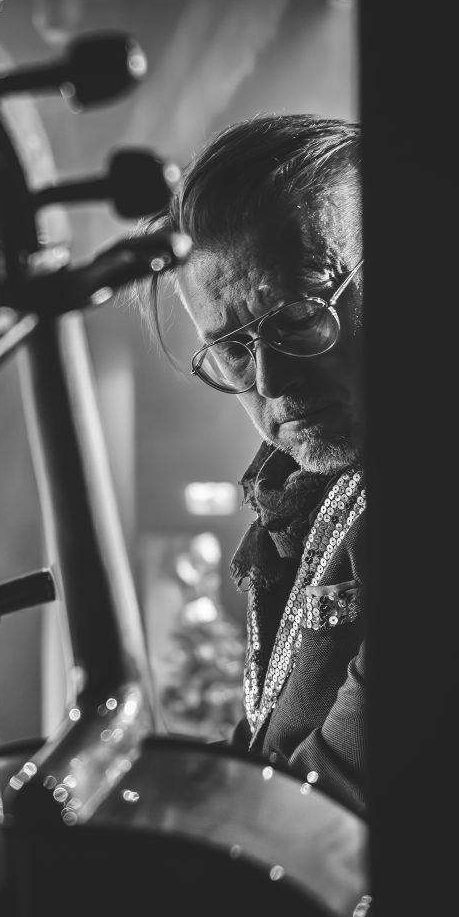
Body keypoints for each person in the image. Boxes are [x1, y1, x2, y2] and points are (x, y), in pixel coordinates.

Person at [141, 113, 368, 814]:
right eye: (234, 349)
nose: (271, 381)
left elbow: (334, 805)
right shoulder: (304, 494)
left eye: (298, 317)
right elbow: (272, 753)